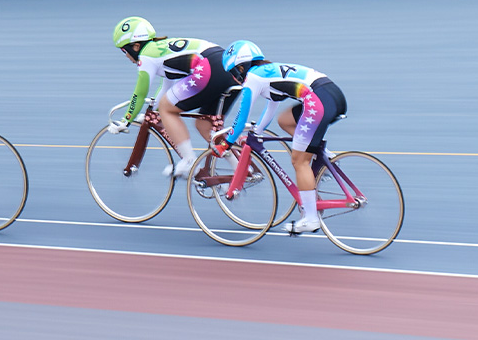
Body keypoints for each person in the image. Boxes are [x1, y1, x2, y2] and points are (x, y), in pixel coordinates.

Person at [219, 44, 347, 235]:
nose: (234, 78)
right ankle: (323, 160)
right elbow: (271, 108)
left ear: (240, 67)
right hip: (331, 94)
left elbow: (241, 116)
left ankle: (311, 219)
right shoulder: (267, 72)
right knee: (285, 120)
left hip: (318, 101)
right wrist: (257, 132)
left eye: (233, 73)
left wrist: (226, 143)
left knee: (299, 160)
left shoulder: (253, 78)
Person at [111, 16, 241, 180]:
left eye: (124, 50)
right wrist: (153, 110)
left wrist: (125, 120)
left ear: (135, 46)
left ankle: (188, 161)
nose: (125, 56)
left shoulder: (147, 56)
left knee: (167, 109)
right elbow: (167, 86)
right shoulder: (162, 51)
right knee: (205, 126)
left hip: (208, 68)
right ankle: (242, 172)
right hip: (229, 68)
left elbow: (140, 92)